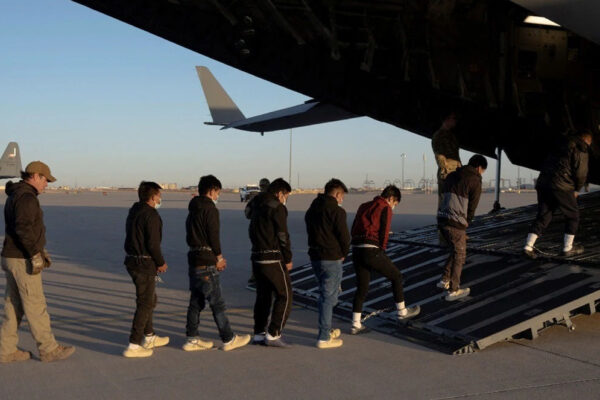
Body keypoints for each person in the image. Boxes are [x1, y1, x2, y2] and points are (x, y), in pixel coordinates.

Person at [0, 161, 75, 363]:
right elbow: (23, 228)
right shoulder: (26, 197)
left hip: (11, 255)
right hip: (22, 258)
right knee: (35, 305)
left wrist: (39, 250)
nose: (46, 184)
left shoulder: (16, 194)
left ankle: (5, 349)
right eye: (45, 179)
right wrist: (35, 254)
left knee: (14, 305)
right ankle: (48, 349)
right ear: (34, 176)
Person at [183, 175, 251, 352]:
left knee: (196, 301)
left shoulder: (193, 209)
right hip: (207, 260)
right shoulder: (210, 209)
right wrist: (219, 257)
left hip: (194, 258)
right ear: (212, 190)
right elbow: (213, 236)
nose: (217, 196)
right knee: (217, 302)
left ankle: (192, 338)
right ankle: (228, 338)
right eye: (218, 192)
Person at [350, 185, 420, 335]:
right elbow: (384, 231)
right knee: (396, 276)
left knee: (362, 287)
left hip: (356, 249)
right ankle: (402, 312)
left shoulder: (363, 206)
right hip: (371, 249)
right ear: (391, 198)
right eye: (395, 203)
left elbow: (353, 227)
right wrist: (381, 250)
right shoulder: (385, 207)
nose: (393, 206)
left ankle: (355, 324)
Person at [524, 130, 593, 258]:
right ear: (587, 141)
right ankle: (568, 248)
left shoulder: (559, 143)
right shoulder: (581, 148)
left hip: (543, 183)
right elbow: (581, 173)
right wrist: (577, 189)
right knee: (573, 216)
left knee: (544, 215)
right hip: (562, 186)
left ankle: (528, 246)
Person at [122, 181, 169, 358]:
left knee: (149, 299)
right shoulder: (151, 215)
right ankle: (134, 344)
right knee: (145, 303)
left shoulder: (134, 211)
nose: (160, 199)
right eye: (159, 195)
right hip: (144, 263)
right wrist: (160, 262)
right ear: (153, 197)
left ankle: (149, 336)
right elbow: (153, 244)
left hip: (132, 261)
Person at [305, 178, 350, 349]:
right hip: (331, 258)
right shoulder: (337, 211)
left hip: (315, 256)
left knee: (326, 294)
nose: (342, 199)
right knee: (328, 297)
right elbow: (344, 236)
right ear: (337, 194)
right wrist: (344, 253)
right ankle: (324, 337)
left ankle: (327, 328)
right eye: (342, 196)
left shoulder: (312, 209)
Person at [248, 178, 293, 347]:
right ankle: (274, 333)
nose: (285, 199)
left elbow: (247, 214)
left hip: (256, 256)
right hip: (272, 257)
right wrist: (287, 257)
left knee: (263, 296)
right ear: (280, 193)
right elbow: (282, 235)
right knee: (285, 295)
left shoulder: (256, 203)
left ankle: (259, 333)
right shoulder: (277, 208)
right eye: (286, 195)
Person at [437, 154, 487, 301]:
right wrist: (467, 221)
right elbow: (472, 205)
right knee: (460, 254)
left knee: (455, 249)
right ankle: (453, 290)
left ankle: (444, 280)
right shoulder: (475, 180)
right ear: (479, 168)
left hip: (442, 217)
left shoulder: (452, 175)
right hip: (456, 221)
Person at [432, 112, 461, 208]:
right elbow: (440, 157)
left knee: (453, 205)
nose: (455, 121)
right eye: (453, 118)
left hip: (455, 173)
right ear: (447, 119)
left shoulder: (451, 135)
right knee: (445, 205)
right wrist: (448, 174)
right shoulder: (439, 136)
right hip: (448, 175)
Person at [245, 177, 270, 285]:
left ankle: (254, 275)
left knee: (256, 252)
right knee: (269, 252)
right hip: (267, 230)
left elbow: (247, 213)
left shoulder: (255, 199)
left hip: (254, 229)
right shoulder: (272, 199)